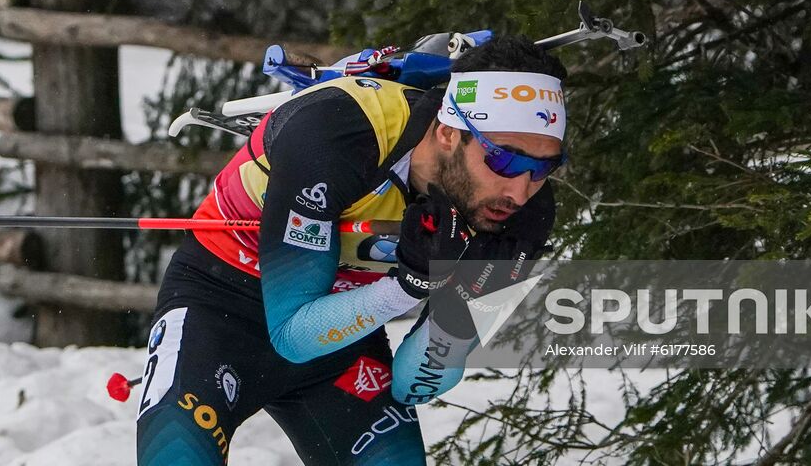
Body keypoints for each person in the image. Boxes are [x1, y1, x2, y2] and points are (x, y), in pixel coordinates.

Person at [135, 35, 567, 464]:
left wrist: (460, 303)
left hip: (344, 334)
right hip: (219, 305)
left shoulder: (521, 213)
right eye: (505, 160)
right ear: (450, 133)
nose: (520, 190)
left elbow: (415, 381)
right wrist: (411, 283)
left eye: (544, 167)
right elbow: (292, 336)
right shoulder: (340, 130)